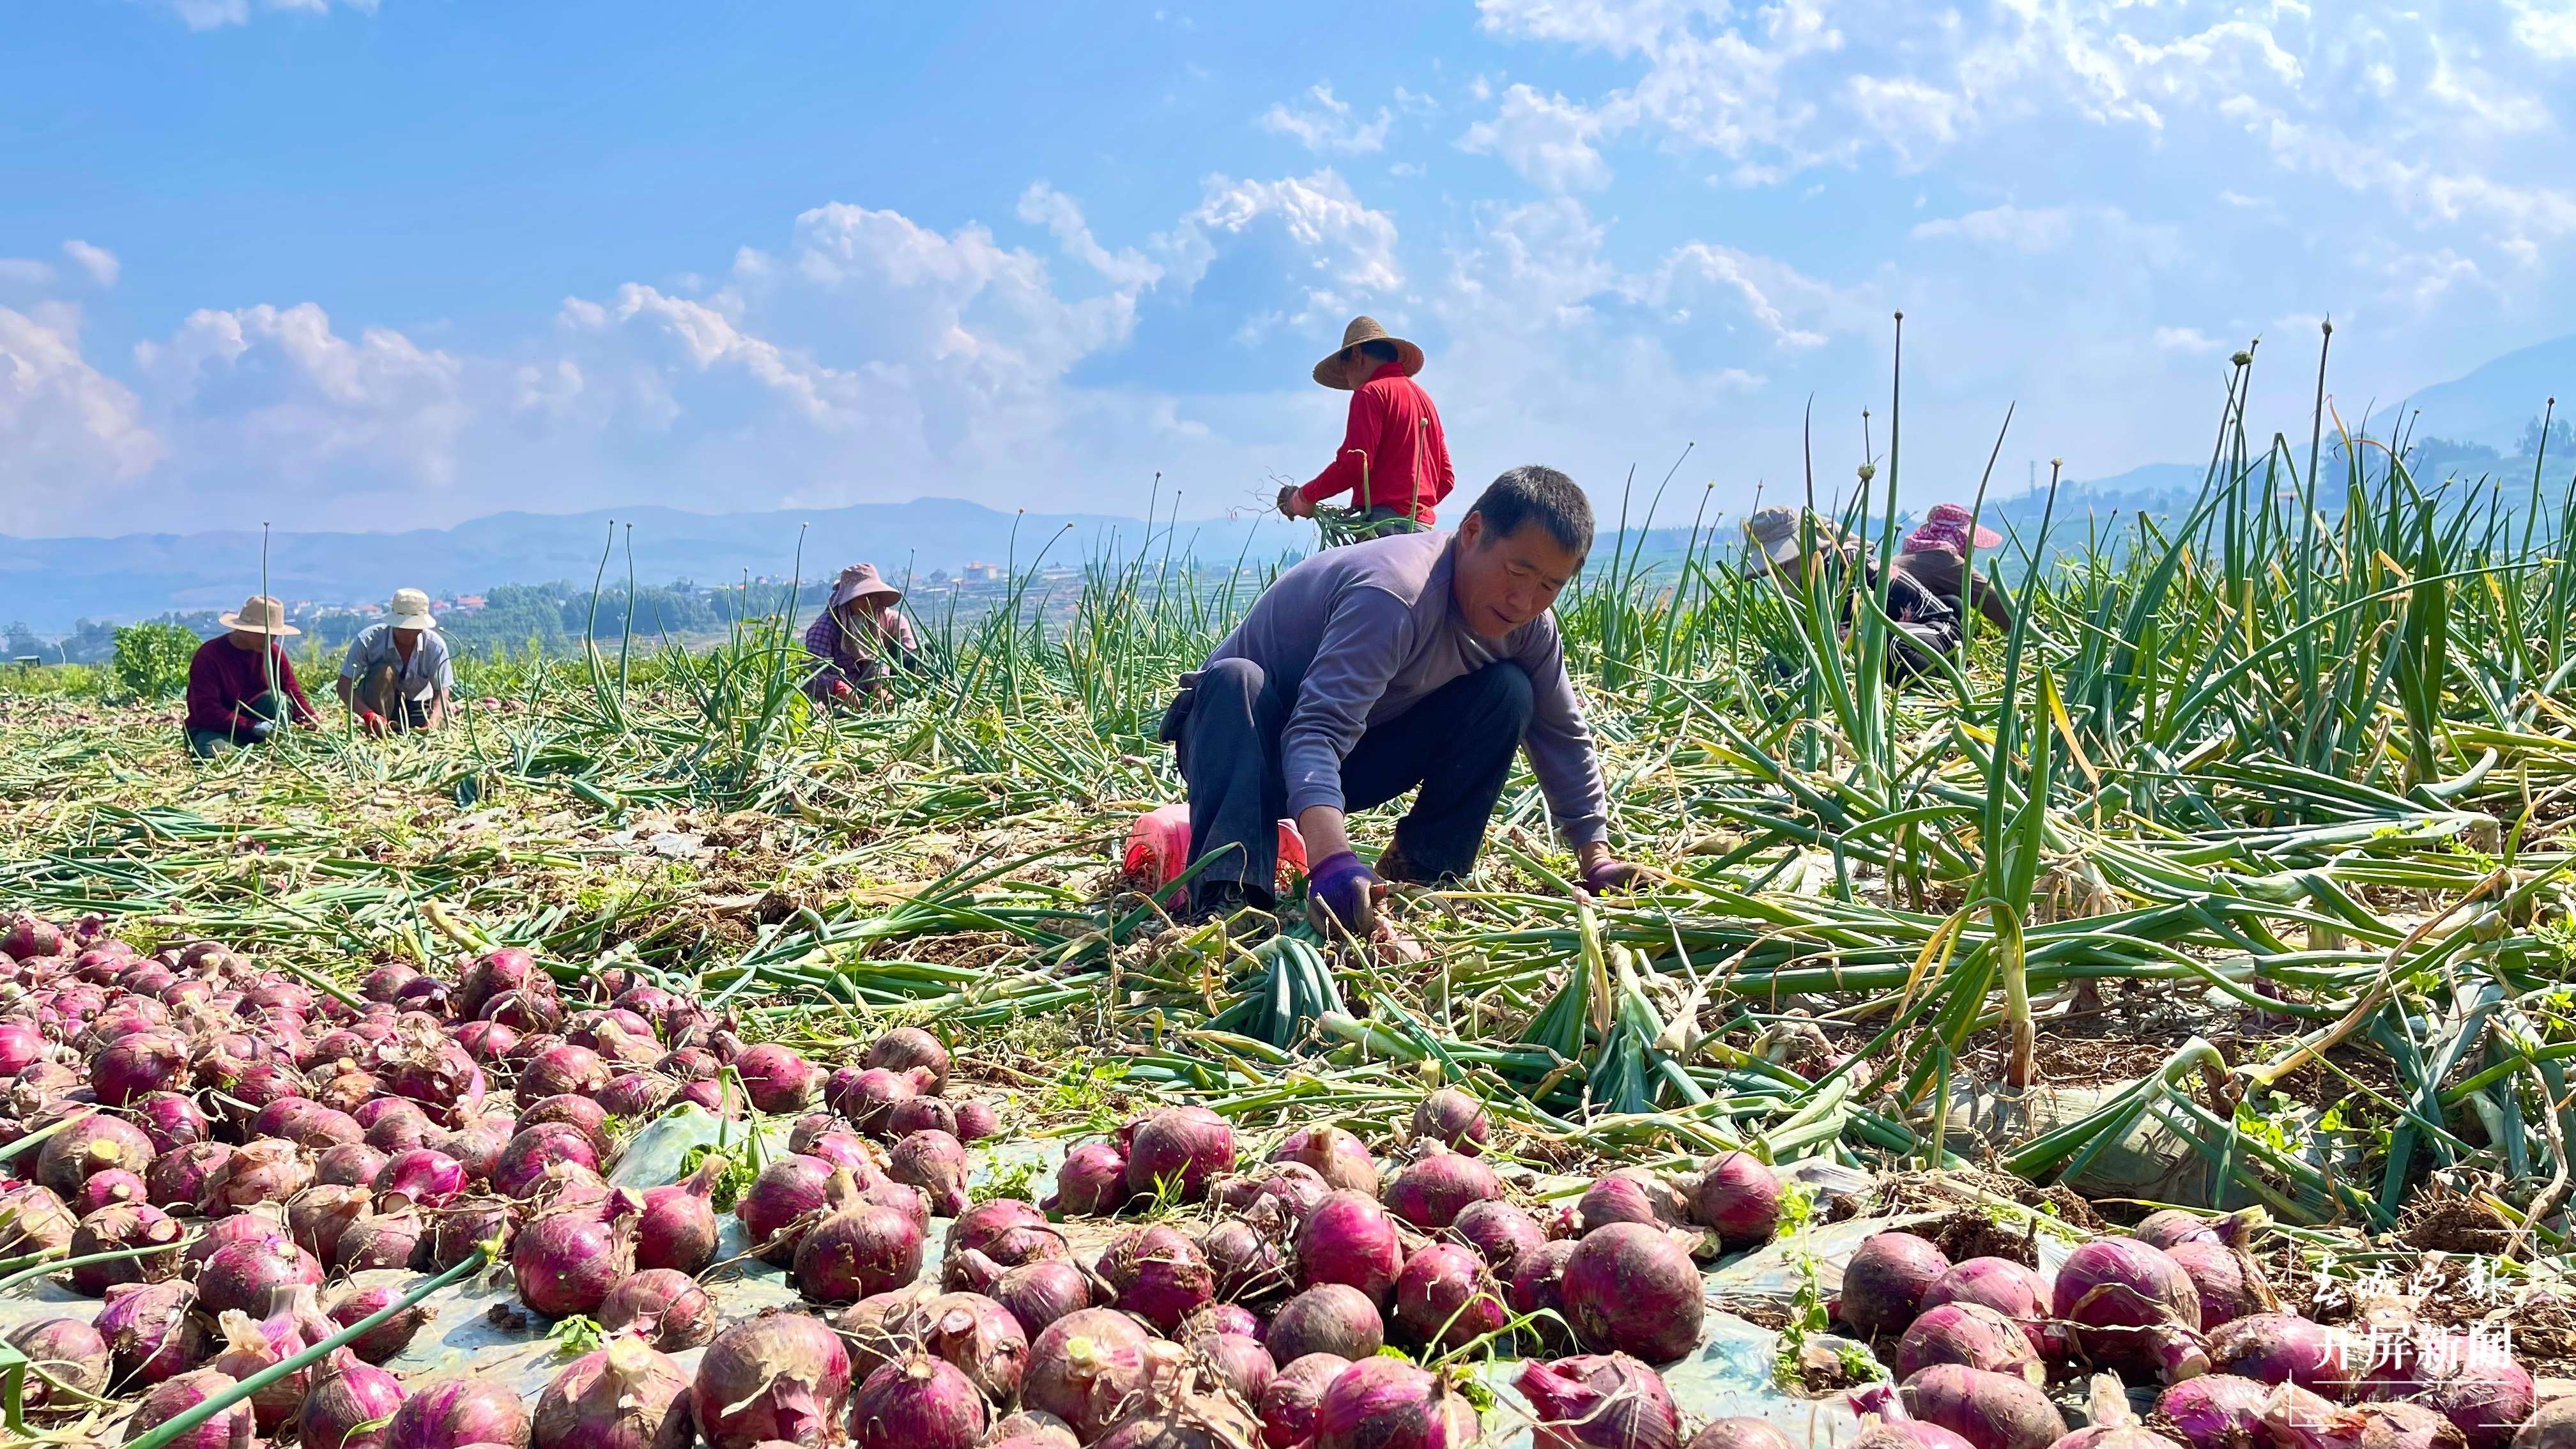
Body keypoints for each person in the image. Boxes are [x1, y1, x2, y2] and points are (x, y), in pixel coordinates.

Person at [1168, 465, 1638, 935]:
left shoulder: (1529, 629)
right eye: (1517, 572)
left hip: (1344, 759)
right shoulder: (1395, 595)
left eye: (1549, 587)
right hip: (1240, 752)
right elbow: (1317, 731)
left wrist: (1597, 859)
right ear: (1472, 531)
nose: (1523, 601)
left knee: (1508, 691)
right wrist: (1332, 861)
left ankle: (1420, 871)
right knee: (1236, 680)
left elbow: (1562, 734)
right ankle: (1229, 897)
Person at [1275, 316, 1455, 540]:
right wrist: (1413, 509)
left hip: (1384, 530)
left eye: (1344, 367)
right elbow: (1446, 478)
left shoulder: (1370, 393)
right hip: (1423, 532)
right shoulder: (1425, 400)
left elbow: (1354, 465)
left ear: (1358, 356)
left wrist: (1303, 498)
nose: (1348, 381)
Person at [1745, 505, 1960, 675]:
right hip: (1904, 634)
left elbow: (1843, 643)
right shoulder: (1803, 582)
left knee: (1882, 645)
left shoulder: (1835, 568)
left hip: (1937, 635)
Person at [183, 595, 319, 758]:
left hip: (261, 724)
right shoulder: (209, 656)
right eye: (263, 634)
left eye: (273, 635)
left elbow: (292, 693)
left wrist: (310, 719)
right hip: (216, 728)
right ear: (243, 629)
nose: (270, 640)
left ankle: (276, 746)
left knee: (277, 699)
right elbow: (207, 710)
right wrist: (251, 726)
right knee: (219, 758)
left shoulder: (274, 654)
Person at [336, 588, 453, 735]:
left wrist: (434, 720)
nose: (409, 634)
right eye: (404, 628)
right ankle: (379, 729)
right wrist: (367, 714)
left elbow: (442, 691)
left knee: (440, 727)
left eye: (414, 628)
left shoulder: (435, 647)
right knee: (384, 673)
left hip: (419, 704)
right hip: (378, 703)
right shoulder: (369, 641)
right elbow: (343, 686)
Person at [804, 563, 919, 706]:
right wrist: (837, 686)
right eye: (864, 597)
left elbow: (876, 657)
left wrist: (879, 686)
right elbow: (810, 675)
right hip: (837, 703)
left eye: (873, 598)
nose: (869, 603)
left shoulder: (871, 622)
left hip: (866, 696)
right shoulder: (825, 628)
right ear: (849, 598)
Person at [1895, 502, 2015, 632]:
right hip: (1899, 627)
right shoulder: (1943, 557)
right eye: (1970, 543)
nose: (1973, 549)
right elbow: (1991, 598)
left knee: (1948, 602)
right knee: (1953, 606)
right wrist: (2023, 629)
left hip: (1889, 620)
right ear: (1960, 537)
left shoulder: (1910, 553)